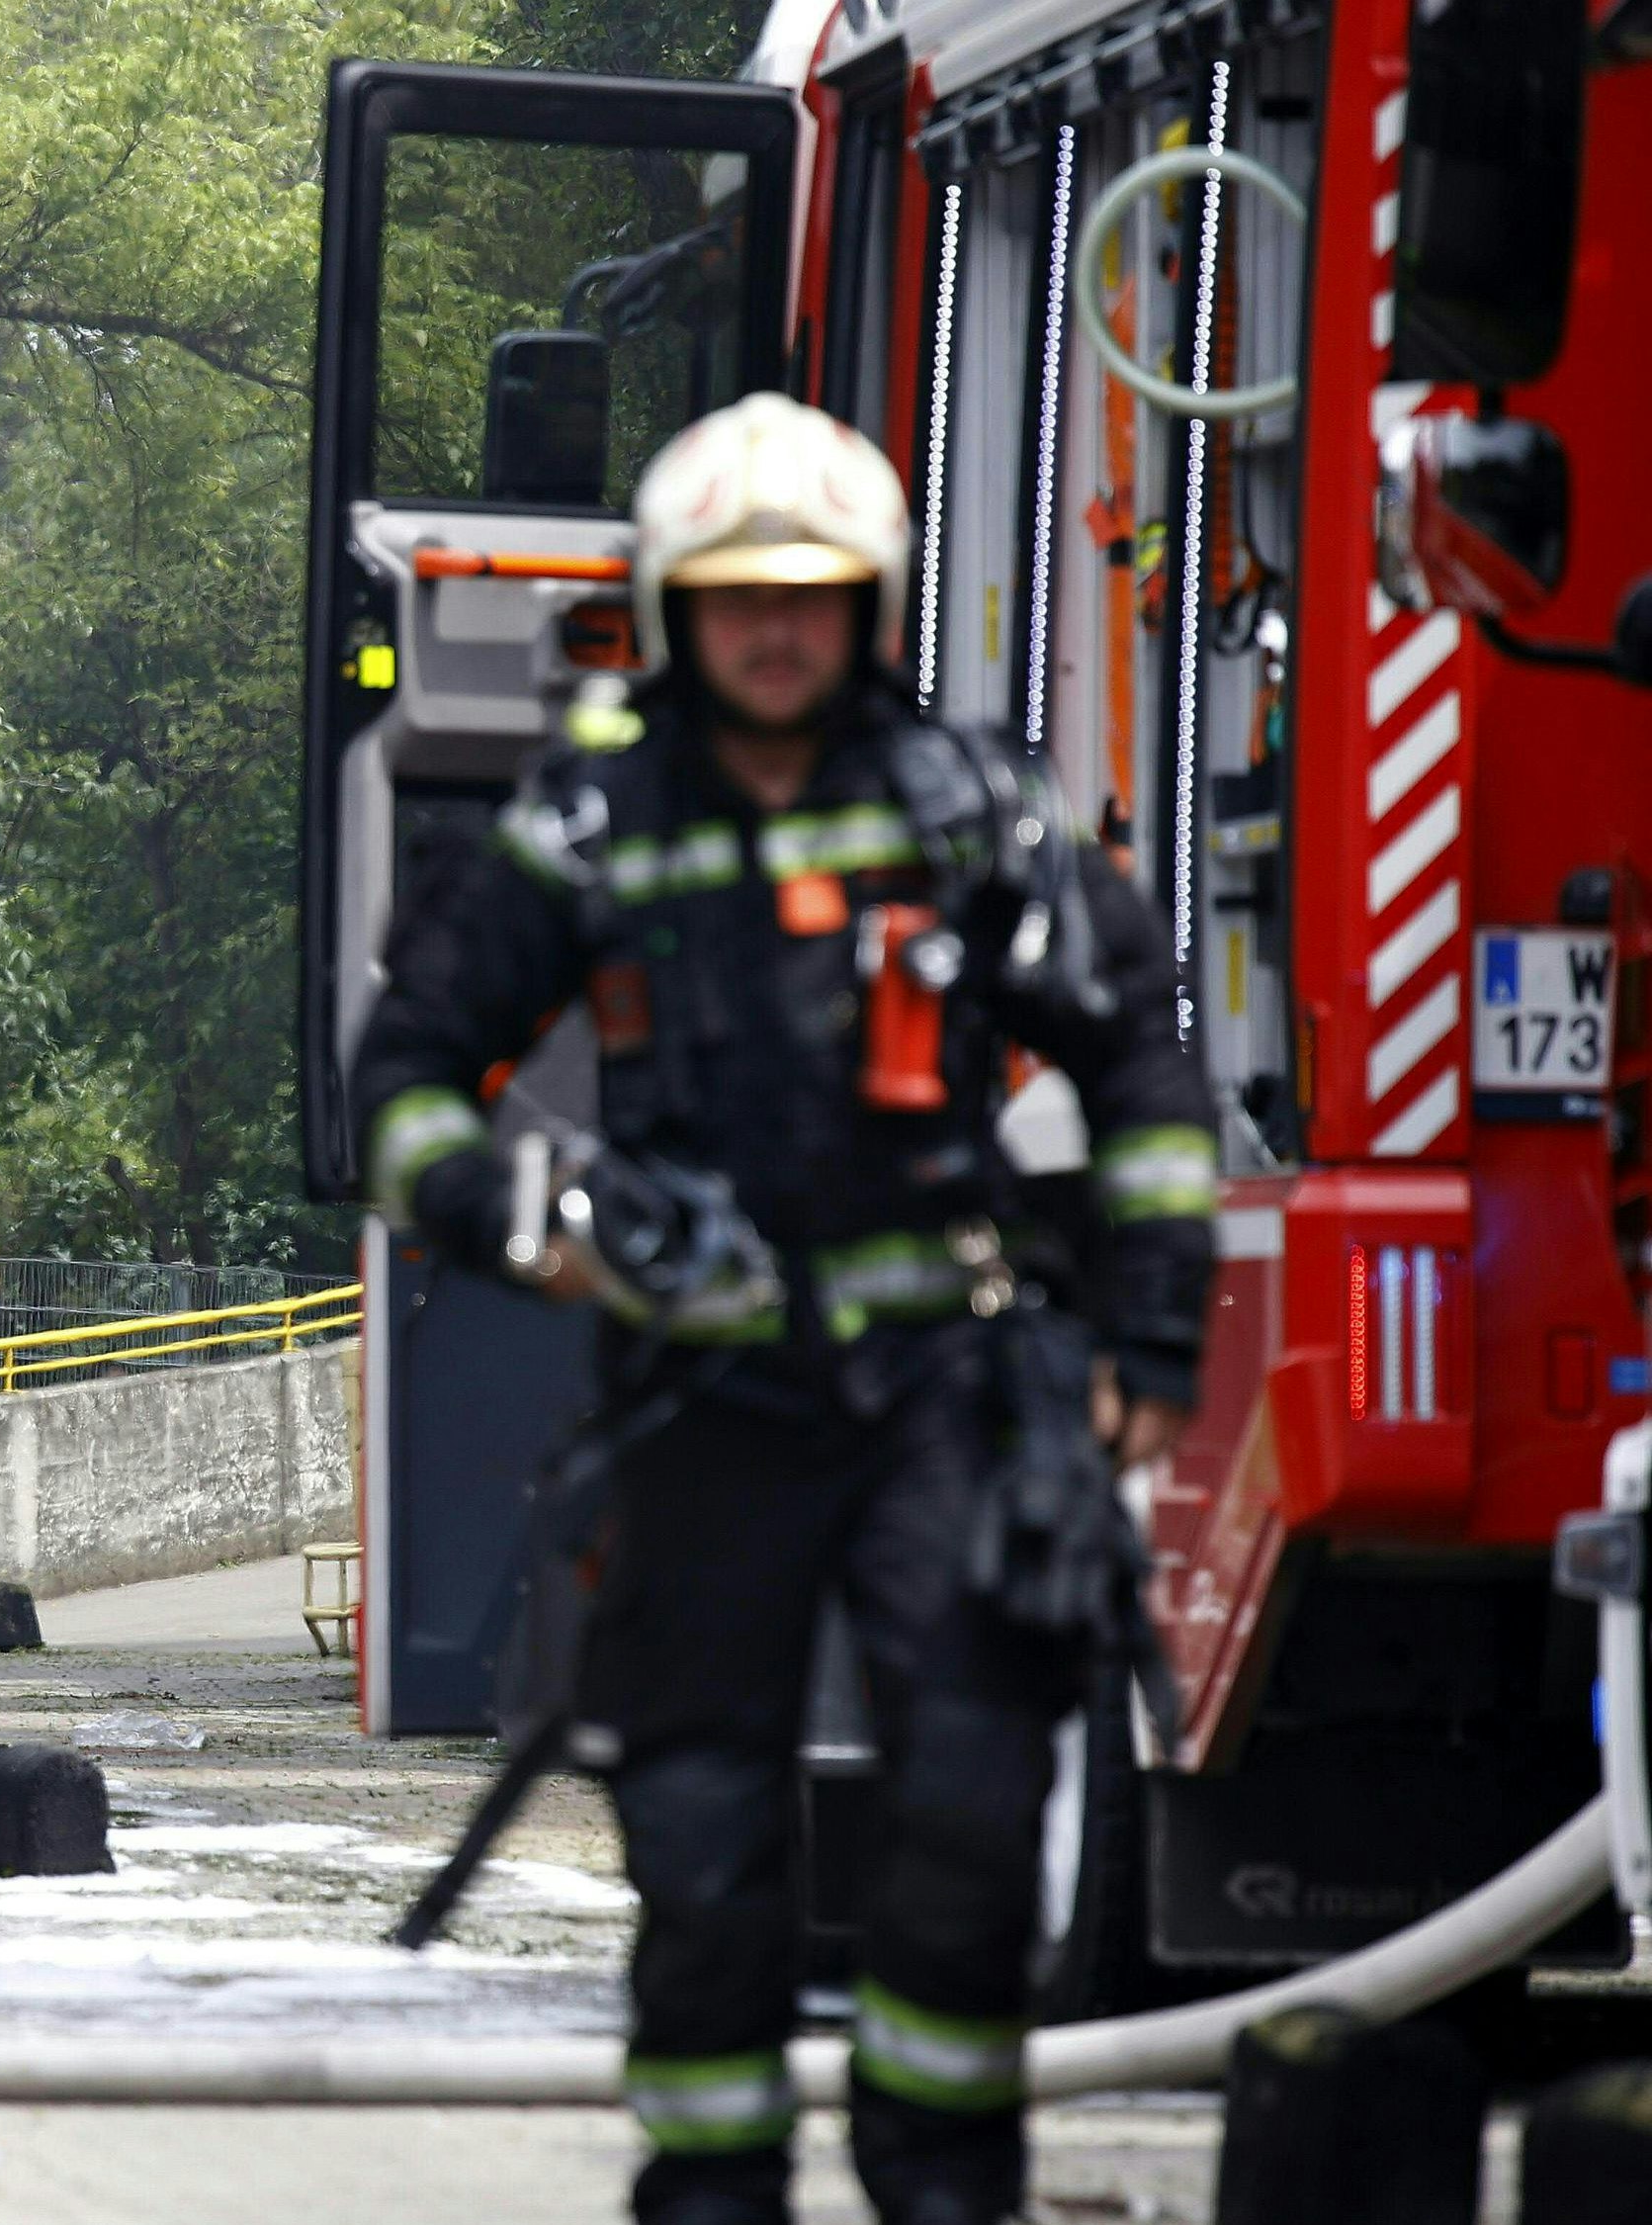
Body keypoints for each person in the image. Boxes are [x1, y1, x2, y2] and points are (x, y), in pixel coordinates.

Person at [347, 395, 1213, 2225]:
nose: (775, 629)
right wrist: (529, 1207)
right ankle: (716, 2191)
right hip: (703, 1411)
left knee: (975, 1818)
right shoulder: (589, 816)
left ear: (870, 606)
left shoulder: (969, 808)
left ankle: (943, 2190)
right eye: (739, 595)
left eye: (812, 595)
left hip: (942, 1399)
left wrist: (1149, 1342)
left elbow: (1139, 1056)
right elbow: (408, 1071)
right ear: (675, 608)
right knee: (707, 1843)